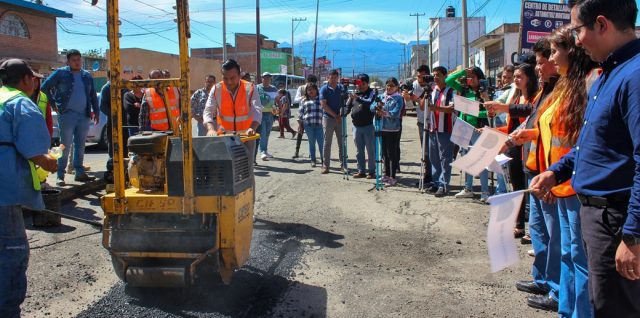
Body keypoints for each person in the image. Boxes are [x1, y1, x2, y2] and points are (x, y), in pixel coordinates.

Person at [531, 1, 640, 316]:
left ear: (602, 24)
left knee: (615, 308)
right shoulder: (609, 73)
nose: (577, 41)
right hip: (599, 217)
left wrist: (632, 236)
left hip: (617, 220)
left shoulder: (633, 76)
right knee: (601, 302)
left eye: (578, 30)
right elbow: (588, 145)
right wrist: (555, 172)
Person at [526, 26, 599, 316]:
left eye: (556, 51)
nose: (552, 58)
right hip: (559, 182)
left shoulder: (588, 85)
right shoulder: (566, 85)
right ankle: (566, 309)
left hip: (575, 187)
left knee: (579, 259)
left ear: (573, 51)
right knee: (569, 254)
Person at [500, 37, 563, 311]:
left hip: (549, 173)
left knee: (555, 235)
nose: (538, 68)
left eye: (540, 62)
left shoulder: (562, 89)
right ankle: (543, 278)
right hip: (534, 168)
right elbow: (532, 116)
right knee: (538, 230)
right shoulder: (547, 90)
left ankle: (557, 289)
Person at [0, 58, 58, 318]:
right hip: (5, 191)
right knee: (12, 250)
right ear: (25, 79)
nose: (35, 82)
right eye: (33, 78)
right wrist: (48, 161)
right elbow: (34, 150)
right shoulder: (20, 103)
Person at [41, 49, 99, 186]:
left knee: (80, 145)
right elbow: (45, 87)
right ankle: (60, 176)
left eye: (79, 59)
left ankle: (79, 172)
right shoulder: (60, 73)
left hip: (84, 115)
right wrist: (54, 103)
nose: (77, 62)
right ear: (68, 61)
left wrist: (96, 111)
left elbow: (92, 95)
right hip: (67, 114)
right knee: (64, 145)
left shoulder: (87, 76)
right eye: (74, 60)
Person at [203, 59, 262, 170]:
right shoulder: (217, 89)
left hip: (246, 138)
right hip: (225, 138)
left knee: (247, 172)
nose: (229, 82)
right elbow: (208, 111)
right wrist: (210, 129)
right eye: (225, 78)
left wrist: (252, 128)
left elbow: (257, 110)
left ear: (239, 75)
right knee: (225, 171)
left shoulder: (250, 88)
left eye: (232, 78)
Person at [446, 66, 491, 202]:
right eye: (468, 77)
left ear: (479, 78)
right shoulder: (464, 90)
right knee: (466, 159)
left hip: (478, 129)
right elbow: (449, 80)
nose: (469, 80)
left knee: (480, 160)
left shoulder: (484, 93)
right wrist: (463, 72)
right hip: (463, 127)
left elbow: (489, 111)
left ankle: (485, 191)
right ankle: (468, 188)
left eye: (473, 77)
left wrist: (475, 111)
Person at [426, 66, 455, 197]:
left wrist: (435, 108)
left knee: (445, 158)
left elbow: (451, 108)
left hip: (446, 128)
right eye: (434, 75)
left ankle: (444, 185)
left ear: (445, 76)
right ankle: (436, 182)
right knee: (434, 158)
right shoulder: (433, 90)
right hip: (433, 127)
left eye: (438, 75)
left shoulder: (450, 91)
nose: (435, 78)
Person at [403, 65, 433, 187]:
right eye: (418, 76)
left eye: (422, 76)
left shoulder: (433, 85)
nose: (420, 79)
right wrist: (407, 98)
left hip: (434, 122)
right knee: (425, 152)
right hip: (422, 121)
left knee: (435, 152)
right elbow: (410, 106)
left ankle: (436, 178)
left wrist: (415, 98)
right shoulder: (414, 85)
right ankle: (427, 176)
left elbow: (423, 104)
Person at [344, 73, 376, 179]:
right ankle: (361, 170)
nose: (360, 85)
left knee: (370, 150)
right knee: (359, 151)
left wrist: (357, 98)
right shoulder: (354, 93)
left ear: (367, 83)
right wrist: (342, 111)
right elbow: (347, 107)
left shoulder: (371, 93)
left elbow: (369, 102)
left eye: (363, 83)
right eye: (359, 83)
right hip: (356, 127)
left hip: (368, 126)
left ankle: (371, 171)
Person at [375, 77, 404, 186]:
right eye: (387, 85)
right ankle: (386, 174)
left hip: (393, 129)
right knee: (384, 153)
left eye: (392, 85)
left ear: (396, 87)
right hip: (381, 128)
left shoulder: (398, 98)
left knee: (391, 153)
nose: (389, 87)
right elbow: (372, 107)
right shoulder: (381, 96)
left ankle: (393, 176)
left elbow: (396, 113)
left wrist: (384, 112)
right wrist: (377, 107)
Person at [320, 69, 347, 174]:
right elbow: (324, 105)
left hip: (340, 118)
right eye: (331, 77)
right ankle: (326, 166)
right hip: (328, 118)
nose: (334, 79)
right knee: (327, 143)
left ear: (338, 77)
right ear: (328, 77)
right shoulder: (324, 89)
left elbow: (345, 102)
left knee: (342, 142)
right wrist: (335, 115)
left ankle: (343, 165)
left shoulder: (342, 88)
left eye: (336, 77)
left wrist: (341, 113)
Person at [298, 83, 324, 167]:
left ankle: (324, 160)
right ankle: (313, 160)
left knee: (321, 144)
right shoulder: (304, 100)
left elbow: (325, 110)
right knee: (311, 143)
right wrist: (300, 125)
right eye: (308, 90)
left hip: (319, 125)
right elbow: (300, 113)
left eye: (312, 89)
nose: (310, 91)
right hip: (308, 125)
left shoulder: (321, 99)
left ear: (316, 90)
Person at [293, 74, 318, 159]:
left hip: (312, 115)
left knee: (312, 136)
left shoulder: (316, 88)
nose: (311, 86)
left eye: (313, 83)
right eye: (310, 83)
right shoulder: (301, 88)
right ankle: (296, 151)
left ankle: (312, 153)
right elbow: (295, 100)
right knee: (300, 132)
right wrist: (303, 97)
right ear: (306, 82)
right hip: (302, 113)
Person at [256, 72, 278, 160]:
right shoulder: (257, 88)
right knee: (263, 133)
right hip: (260, 114)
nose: (266, 80)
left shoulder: (274, 89)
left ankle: (265, 150)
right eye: (265, 78)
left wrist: (278, 108)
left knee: (267, 134)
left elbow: (276, 100)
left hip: (270, 114)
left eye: (268, 78)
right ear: (262, 78)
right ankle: (262, 152)